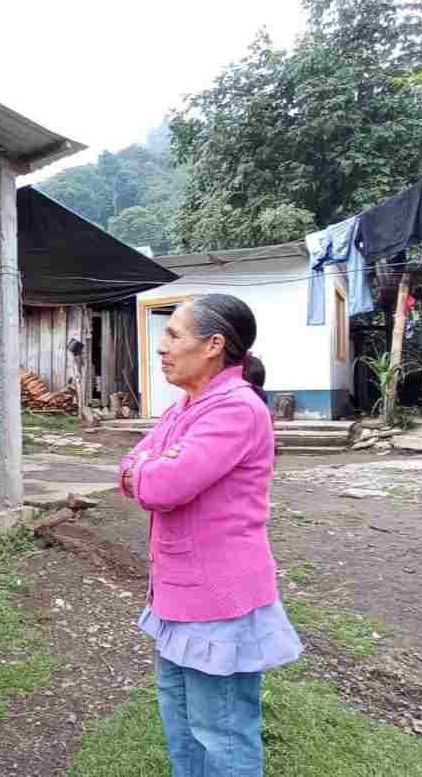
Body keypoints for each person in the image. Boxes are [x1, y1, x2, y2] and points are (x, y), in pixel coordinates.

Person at [118, 294, 302, 777]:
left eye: (175, 335)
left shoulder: (235, 409)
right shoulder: (186, 407)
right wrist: (146, 466)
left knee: (220, 730)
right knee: (180, 721)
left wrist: (148, 468)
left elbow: (160, 484)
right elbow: (131, 464)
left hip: (216, 600)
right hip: (178, 595)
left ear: (214, 345)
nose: (162, 347)